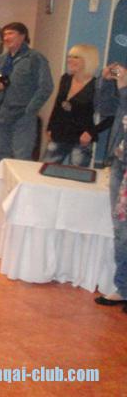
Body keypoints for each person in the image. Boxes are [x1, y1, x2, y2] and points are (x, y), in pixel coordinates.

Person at [0, 22, 53, 165]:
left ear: (23, 36)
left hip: (23, 117)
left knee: (21, 158)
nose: (6, 37)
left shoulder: (35, 58)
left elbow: (46, 87)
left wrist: (30, 110)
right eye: (4, 34)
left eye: (10, 33)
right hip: (2, 114)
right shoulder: (3, 60)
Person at [44, 44, 113, 167]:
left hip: (81, 141)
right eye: (69, 56)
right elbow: (58, 106)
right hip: (58, 135)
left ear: (88, 60)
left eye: (76, 57)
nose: (70, 60)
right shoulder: (66, 79)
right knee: (45, 170)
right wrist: (50, 127)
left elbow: (111, 116)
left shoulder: (97, 86)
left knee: (76, 175)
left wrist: (91, 132)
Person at [93, 61, 127, 309]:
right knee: (120, 229)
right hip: (120, 163)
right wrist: (106, 82)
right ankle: (123, 288)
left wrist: (123, 88)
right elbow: (104, 108)